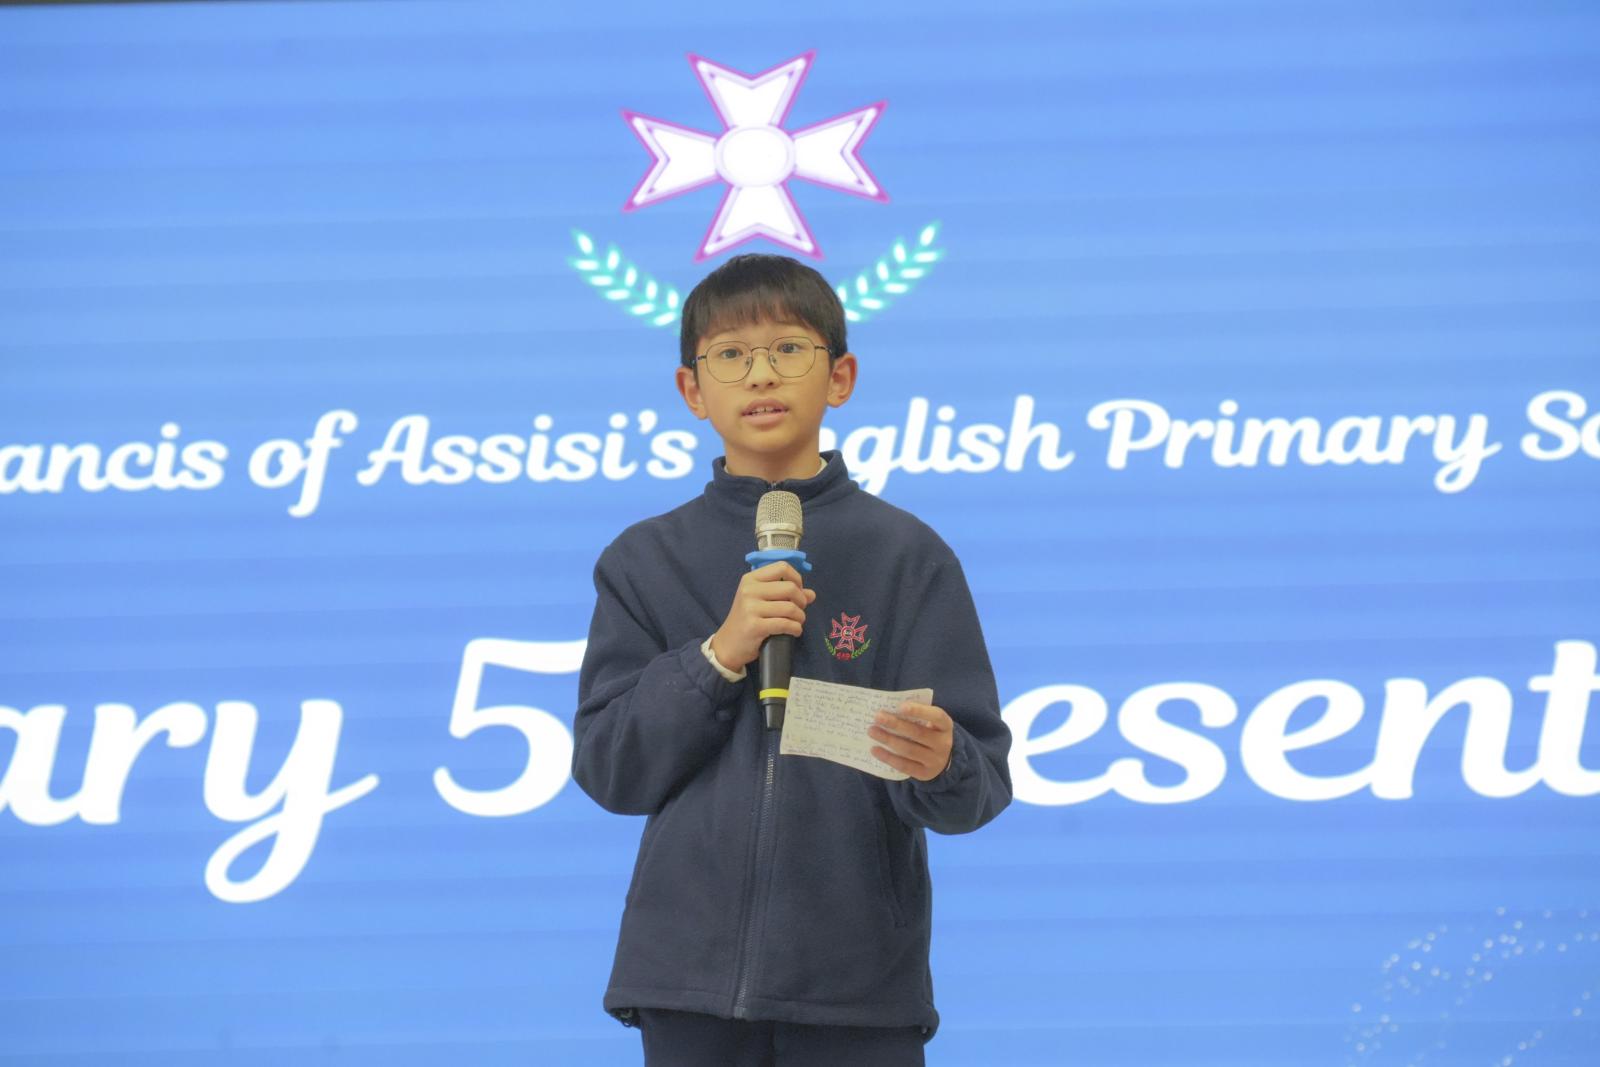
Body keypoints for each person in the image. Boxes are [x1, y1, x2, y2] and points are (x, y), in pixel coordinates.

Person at [571, 252, 1012, 1066]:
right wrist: (717, 655)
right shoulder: (644, 560)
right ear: (692, 390)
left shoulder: (908, 557)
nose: (761, 373)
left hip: (856, 986)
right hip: (687, 982)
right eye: (731, 354)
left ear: (840, 376)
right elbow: (609, 769)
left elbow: (980, 782)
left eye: (788, 349)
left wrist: (941, 761)